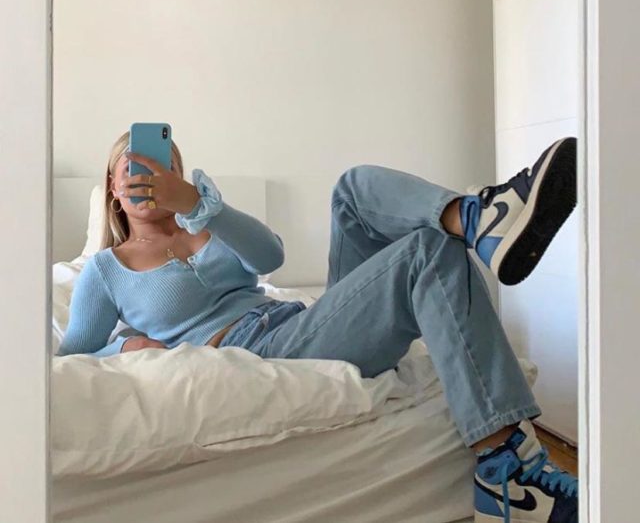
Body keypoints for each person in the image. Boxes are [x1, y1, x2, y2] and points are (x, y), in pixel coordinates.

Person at [59, 132, 578, 523]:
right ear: (112, 187)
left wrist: (198, 206)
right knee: (427, 252)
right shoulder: (105, 270)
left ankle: (478, 216)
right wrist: (126, 345)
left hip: (300, 325)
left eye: (163, 167)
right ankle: (506, 468)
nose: (147, 178)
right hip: (258, 351)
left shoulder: (208, 222)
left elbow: (270, 258)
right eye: (133, 169)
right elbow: (72, 358)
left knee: (352, 187)